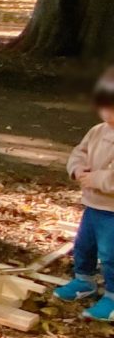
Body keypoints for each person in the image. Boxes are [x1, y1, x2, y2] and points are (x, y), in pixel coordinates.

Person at [54, 68, 114, 322]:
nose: (106, 112)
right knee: (84, 245)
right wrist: (77, 169)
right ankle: (84, 280)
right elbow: (79, 152)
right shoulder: (98, 131)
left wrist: (98, 179)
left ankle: (112, 295)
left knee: (111, 253)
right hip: (93, 205)